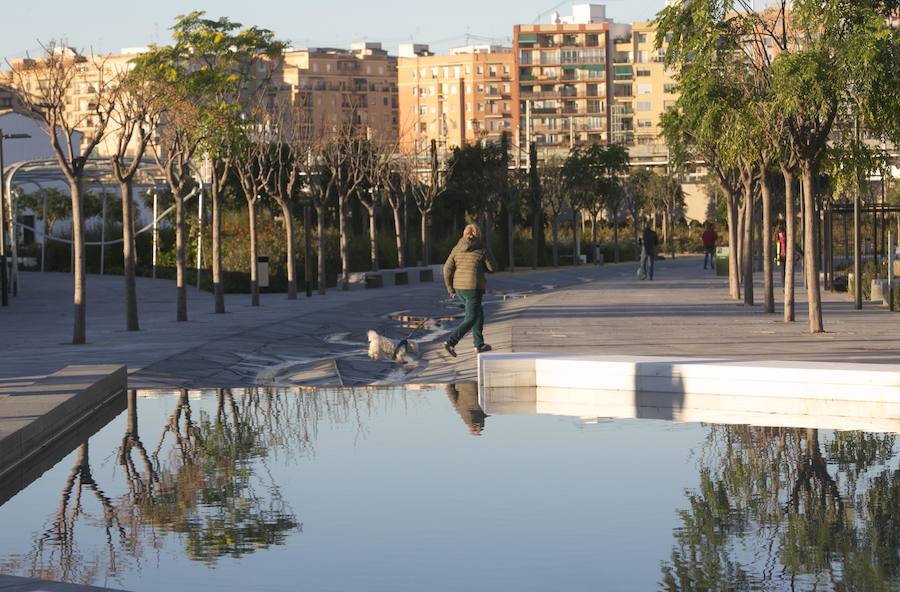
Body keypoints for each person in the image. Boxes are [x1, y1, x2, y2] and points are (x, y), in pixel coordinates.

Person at [443, 223, 497, 357]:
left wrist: (450, 288)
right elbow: (492, 267)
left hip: (459, 288)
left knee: (478, 312)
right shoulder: (482, 247)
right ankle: (450, 342)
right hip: (473, 288)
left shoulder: (457, 248)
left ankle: (479, 344)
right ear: (478, 234)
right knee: (471, 317)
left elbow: (446, 269)